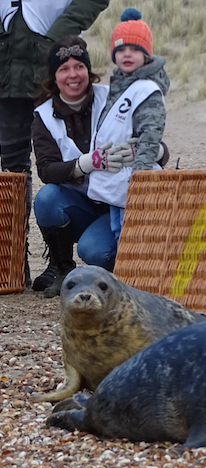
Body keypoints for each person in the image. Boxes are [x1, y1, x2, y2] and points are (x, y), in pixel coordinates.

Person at [0, 0, 110, 289]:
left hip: (53, 59)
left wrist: (57, 35)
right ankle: (12, 264)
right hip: (5, 64)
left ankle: (60, 263)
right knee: (11, 171)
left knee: (70, 154)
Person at [32, 35, 135, 298]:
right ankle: (62, 268)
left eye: (79, 66)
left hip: (120, 205)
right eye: (63, 69)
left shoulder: (115, 101)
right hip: (83, 206)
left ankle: (128, 269)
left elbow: (156, 145)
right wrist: (85, 164)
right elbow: (46, 170)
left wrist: (151, 150)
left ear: (89, 71)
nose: (73, 75)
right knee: (46, 198)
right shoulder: (43, 116)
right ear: (54, 77)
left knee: (93, 252)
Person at [87, 7, 170, 242]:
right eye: (121, 49)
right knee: (118, 233)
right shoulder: (119, 85)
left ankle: (132, 277)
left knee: (131, 232)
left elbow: (150, 135)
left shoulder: (147, 90)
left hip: (132, 176)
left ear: (147, 54)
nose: (127, 54)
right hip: (116, 176)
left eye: (135, 49)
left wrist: (140, 178)